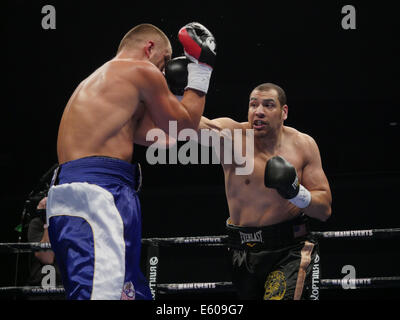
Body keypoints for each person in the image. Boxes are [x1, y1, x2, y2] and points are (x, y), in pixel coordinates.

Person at [46, 22, 216, 300]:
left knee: (127, 294)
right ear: (149, 48)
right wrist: (202, 69)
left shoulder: (101, 84)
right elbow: (183, 128)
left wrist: (175, 101)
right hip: (99, 196)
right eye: (164, 61)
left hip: (79, 196)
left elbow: (167, 137)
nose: (163, 71)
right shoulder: (141, 70)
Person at [197, 82, 332, 300]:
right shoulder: (231, 136)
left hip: (289, 250)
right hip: (240, 250)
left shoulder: (303, 145)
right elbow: (185, 125)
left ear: (284, 112)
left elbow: (324, 209)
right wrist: (176, 91)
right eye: (253, 105)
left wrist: (296, 193)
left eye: (268, 105)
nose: (259, 111)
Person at [26, 197, 64, 300]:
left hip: (64, 286)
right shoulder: (36, 224)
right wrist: (49, 221)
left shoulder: (67, 225)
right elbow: (47, 258)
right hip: (41, 286)